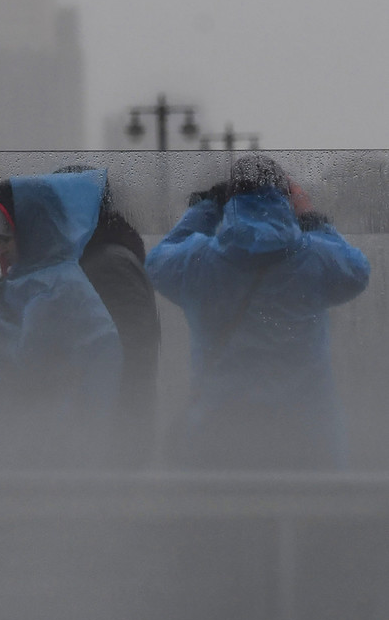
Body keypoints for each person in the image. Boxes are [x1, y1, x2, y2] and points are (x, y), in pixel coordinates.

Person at [146, 154, 370, 471]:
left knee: (230, 516)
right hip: (305, 432)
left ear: (230, 201)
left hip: (222, 429)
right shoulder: (314, 256)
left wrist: (205, 208)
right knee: (307, 512)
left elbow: (158, 262)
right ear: (285, 198)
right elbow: (356, 272)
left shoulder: (200, 260)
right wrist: (309, 216)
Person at [0, 168, 123, 470]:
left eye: (6, 239)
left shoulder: (60, 289)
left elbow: (23, 369)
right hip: (32, 457)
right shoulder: (36, 281)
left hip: (52, 462)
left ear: (34, 233)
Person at [56, 165, 162, 469]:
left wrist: (110, 442)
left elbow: (129, 358)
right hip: (108, 437)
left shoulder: (108, 263)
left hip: (108, 445)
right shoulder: (100, 256)